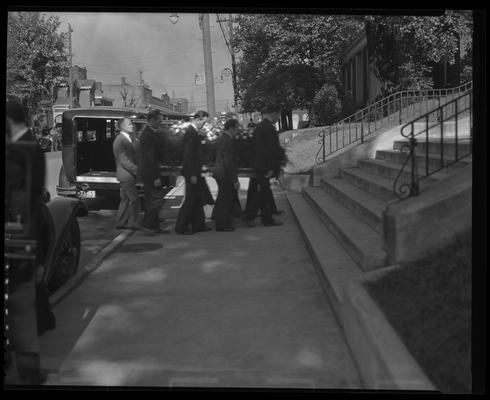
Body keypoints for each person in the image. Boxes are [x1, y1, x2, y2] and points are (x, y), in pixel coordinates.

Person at [241, 105, 284, 227]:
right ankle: (249, 215)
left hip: (259, 164)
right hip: (265, 166)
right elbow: (270, 150)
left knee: (264, 193)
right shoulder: (268, 128)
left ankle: (267, 219)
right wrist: (270, 168)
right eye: (279, 114)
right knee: (261, 193)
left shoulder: (260, 126)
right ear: (273, 113)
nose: (279, 117)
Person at [175, 110, 213, 235]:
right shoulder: (191, 133)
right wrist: (192, 174)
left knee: (197, 199)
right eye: (203, 122)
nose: (204, 125)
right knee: (191, 200)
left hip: (196, 171)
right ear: (197, 119)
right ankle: (181, 227)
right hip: (192, 173)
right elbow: (188, 155)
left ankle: (198, 225)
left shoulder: (194, 132)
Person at [113, 117, 153, 234]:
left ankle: (121, 222)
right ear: (122, 127)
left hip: (127, 175)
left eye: (132, 124)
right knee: (134, 199)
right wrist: (138, 171)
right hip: (126, 175)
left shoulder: (128, 139)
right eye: (129, 124)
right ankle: (133, 223)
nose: (132, 126)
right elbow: (124, 161)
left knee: (125, 199)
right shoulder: (120, 140)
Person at [139, 110, 170, 234]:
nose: (160, 122)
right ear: (152, 120)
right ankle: (149, 225)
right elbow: (150, 158)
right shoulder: (148, 135)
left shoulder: (151, 133)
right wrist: (155, 176)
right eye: (159, 120)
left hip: (149, 171)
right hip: (150, 172)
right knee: (157, 198)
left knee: (151, 198)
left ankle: (153, 224)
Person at [212, 119, 240, 231]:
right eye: (237, 128)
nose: (238, 131)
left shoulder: (221, 138)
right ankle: (222, 225)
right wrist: (234, 180)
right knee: (225, 200)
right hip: (224, 173)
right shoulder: (228, 140)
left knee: (222, 198)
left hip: (219, 171)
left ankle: (219, 219)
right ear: (231, 128)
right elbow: (229, 162)